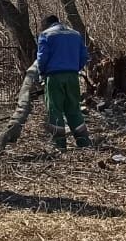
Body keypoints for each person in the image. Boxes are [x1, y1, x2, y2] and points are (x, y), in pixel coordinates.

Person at [37, 15, 91, 151]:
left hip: (54, 76)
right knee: (73, 108)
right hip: (72, 76)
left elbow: (42, 57)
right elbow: (84, 56)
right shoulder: (75, 34)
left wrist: (41, 72)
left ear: (47, 24)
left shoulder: (46, 35)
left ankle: (59, 144)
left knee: (55, 109)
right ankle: (83, 141)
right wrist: (74, 68)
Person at [0, 57, 41, 161]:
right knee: (22, 109)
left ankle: (9, 134)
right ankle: (4, 137)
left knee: (23, 109)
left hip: (38, 73)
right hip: (36, 75)